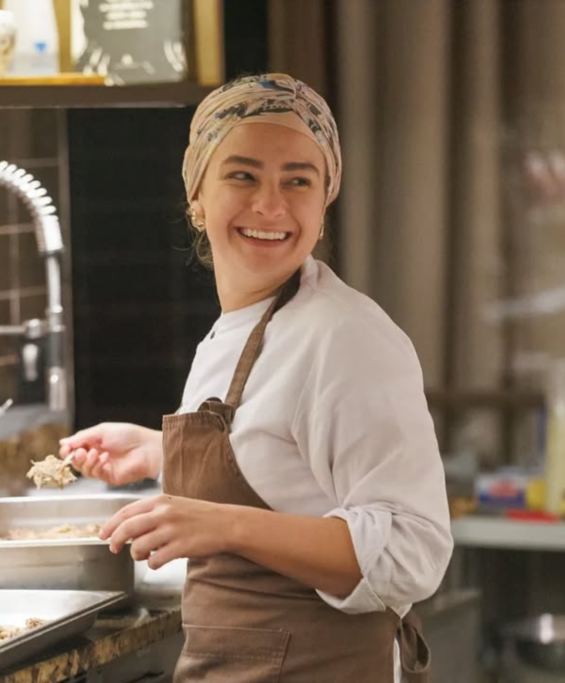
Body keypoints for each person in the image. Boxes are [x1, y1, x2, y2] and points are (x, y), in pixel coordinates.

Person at [59, 73, 453, 682]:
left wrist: (220, 523)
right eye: (243, 175)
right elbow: (289, 469)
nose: (270, 205)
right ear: (197, 196)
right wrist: (160, 452)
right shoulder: (239, 328)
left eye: (298, 180)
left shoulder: (345, 336)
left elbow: (411, 550)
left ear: (323, 205)